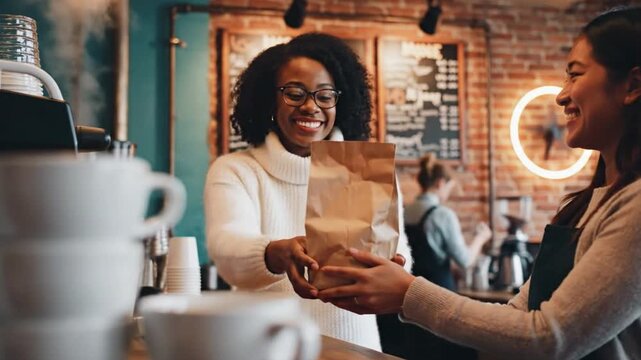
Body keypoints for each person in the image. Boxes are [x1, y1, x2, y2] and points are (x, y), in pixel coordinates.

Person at [317, 7, 641, 359]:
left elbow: (550, 337)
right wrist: (404, 293)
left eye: (575, 75)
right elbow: (519, 317)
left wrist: (409, 293)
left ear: (633, 86)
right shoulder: (582, 205)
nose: (562, 95)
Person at [204, 32, 411, 351]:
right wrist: (274, 252)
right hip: (264, 348)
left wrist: (392, 266)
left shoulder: (367, 171)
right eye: (295, 93)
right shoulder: (237, 170)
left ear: (340, 102)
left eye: (324, 96)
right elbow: (227, 248)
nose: (311, 106)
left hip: (354, 348)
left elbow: (402, 258)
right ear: (269, 99)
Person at [405, 153, 491, 291]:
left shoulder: (403, 211)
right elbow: (465, 260)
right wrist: (480, 238)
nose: (448, 193)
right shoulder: (443, 215)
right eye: (449, 188)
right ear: (441, 183)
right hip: (438, 294)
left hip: (409, 291)